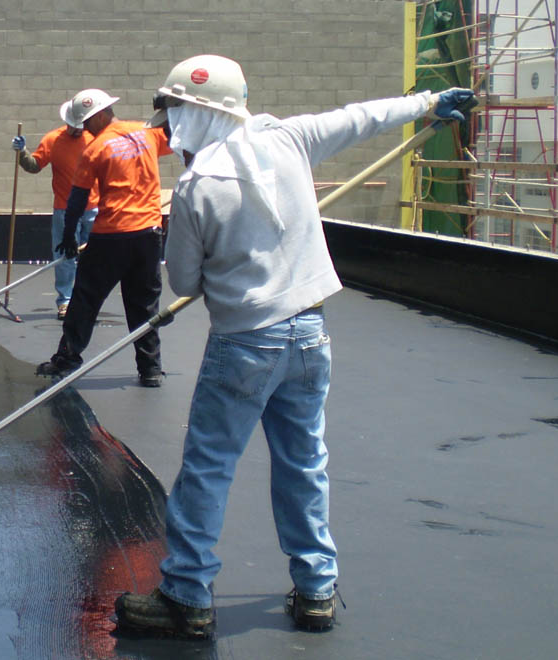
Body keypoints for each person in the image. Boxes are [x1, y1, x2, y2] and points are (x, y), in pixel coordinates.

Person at [113, 53, 476, 639]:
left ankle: (186, 596)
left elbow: (183, 283)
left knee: (207, 468)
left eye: (176, 109)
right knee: (304, 462)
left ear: (200, 113)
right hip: (309, 334)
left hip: (244, 344)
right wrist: (431, 104)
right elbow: (362, 117)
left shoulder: (197, 187)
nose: (171, 122)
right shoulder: (289, 138)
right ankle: (315, 590)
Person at [35, 87, 173, 387]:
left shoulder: (95, 150)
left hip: (111, 236)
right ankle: (150, 369)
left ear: (98, 116)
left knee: (85, 299)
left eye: (85, 121)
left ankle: (68, 358)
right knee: (144, 305)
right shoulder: (146, 134)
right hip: (149, 235)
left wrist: (69, 236)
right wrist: (171, 110)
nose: (83, 127)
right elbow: (178, 135)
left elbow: (77, 199)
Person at [10, 99, 100, 318]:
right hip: (65, 209)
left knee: (95, 257)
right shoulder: (53, 140)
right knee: (65, 256)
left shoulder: (96, 139)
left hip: (94, 207)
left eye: (80, 127)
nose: (77, 131)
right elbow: (34, 166)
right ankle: (66, 301)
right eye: (73, 126)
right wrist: (22, 153)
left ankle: (89, 300)